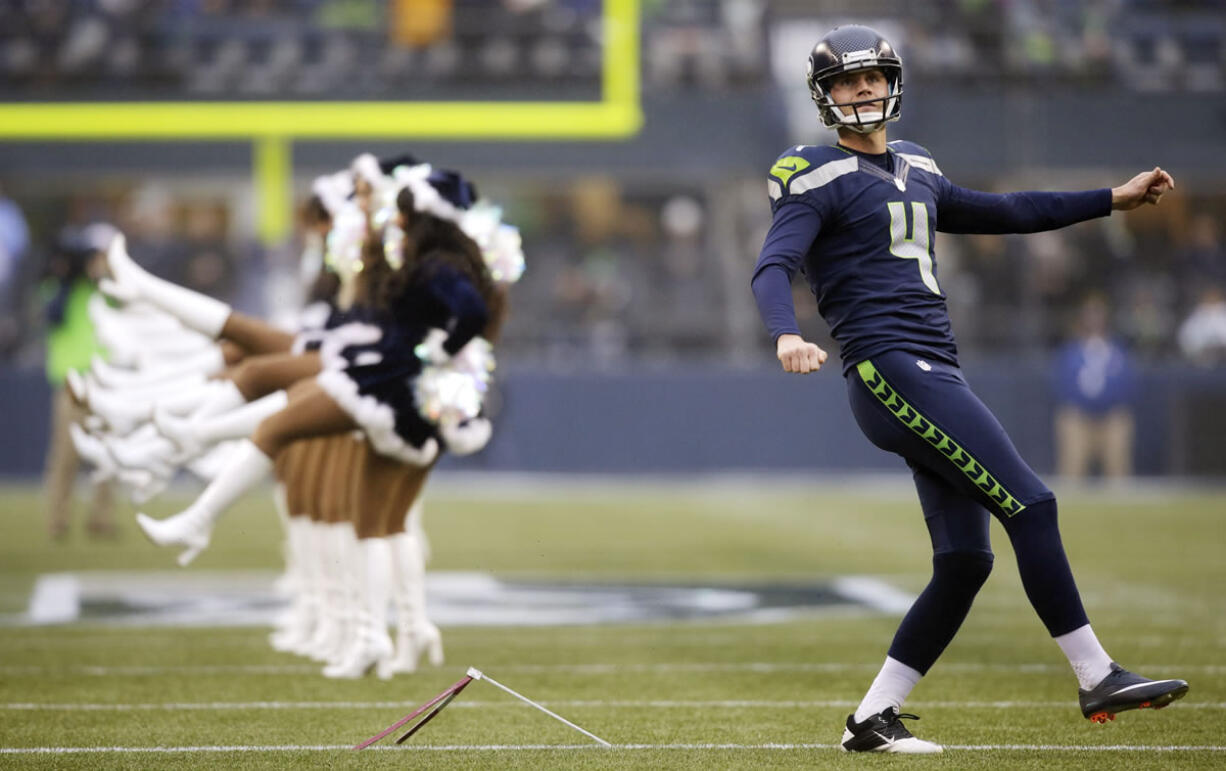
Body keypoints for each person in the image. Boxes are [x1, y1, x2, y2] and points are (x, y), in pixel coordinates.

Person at [749, 24, 1189, 754]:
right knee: (1033, 501)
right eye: (845, 83)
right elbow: (773, 264)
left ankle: (871, 718)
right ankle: (1095, 673)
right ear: (823, 97)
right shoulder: (811, 173)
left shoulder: (917, 163)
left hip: (933, 366)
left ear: (893, 82)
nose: (863, 91)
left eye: (872, 78)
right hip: (890, 365)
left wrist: (1113, 197)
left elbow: (1008, 211)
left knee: (965, 562)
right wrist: (784, 333)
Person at [42, 223, 117, 540]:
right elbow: (51, 313)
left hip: (107, 380)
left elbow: (125, 300)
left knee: (108, 455)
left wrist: (99, 275)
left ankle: (101, 519)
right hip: (73, 381)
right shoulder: (60, 288)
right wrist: (69, 276)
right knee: (66, 454)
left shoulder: (108, 289)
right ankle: (57, 519)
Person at [1052, 295, 1137, 480]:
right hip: (1078, 417)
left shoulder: (1117, 351)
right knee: (1072, 471)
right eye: (1090, 314)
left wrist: (1112, 405)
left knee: (1118, 471)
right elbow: (1061, 384)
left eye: (1098, 314)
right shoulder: (1071, 351)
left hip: (1111, 417)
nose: (1094, 319)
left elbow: (1128, 383)